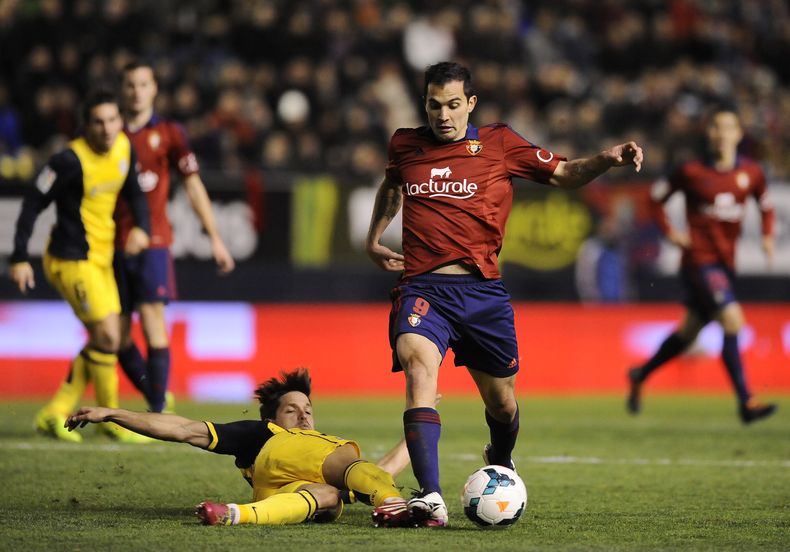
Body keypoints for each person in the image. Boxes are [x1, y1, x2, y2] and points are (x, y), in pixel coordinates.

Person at [365, 61, 644, 527]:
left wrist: (606, 159)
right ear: (425, 105)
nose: (443, 115)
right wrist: (374, 238)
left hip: (482, 294)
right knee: (418, 368)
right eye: (434, 105)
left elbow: (564, 174)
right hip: (423, 287)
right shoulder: (405, 144)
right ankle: (430, 497)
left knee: (502, 403)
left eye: (453, 105)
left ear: (470, 103)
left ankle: (501, 454)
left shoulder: (499, 143)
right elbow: (393, 186)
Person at [66, 368, 415, 527]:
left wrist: (419, 429)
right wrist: (114, 412)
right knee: (344, 455)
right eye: (292, 409)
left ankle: (234, 514)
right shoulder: (263, 433)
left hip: (277, 493)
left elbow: (379, 473)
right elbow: (184, 429)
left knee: (330, 497)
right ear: (273, 417)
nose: (304, 416)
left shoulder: (319, 457)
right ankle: (394, 505)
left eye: (308, 410)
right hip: (287, 456)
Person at [9, 90, 151, 443]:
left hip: (102, 259)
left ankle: (54, 412)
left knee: (108, 338)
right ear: (85, 126)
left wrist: (142, 228)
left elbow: (134, 192)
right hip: (70, 260)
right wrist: (19, 257)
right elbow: (32, 203)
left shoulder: (123, 148)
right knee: (107, 335)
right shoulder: (69, 160)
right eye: (98, 122)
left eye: (113, 121)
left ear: (121, 121)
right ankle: (112, 419)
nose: (107, 129)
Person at [627, 105, 777, 424]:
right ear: (709, 134)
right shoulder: (691, 172)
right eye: (716, 127)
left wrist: (766, 236)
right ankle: (745, 401)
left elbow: (765, 205)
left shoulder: (751, 173)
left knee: (689, 331)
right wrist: (671, 233)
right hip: (698, 262)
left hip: (724, 264)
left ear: (738, 134)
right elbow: (655, 200)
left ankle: (641, 372)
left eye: (728, 127)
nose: (721, 134)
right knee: (733, 321)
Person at [114, 61, 235, 413]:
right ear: (123, 90)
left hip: (153, 243)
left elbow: (193, 185)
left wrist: (214, 237)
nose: (137, 91)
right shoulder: (108, 131)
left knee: (154, 324)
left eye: (143, 84)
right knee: (115, 338)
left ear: (154, 89)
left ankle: (156, 411)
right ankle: (157, 398)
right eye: (130, 85)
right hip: (111, 244)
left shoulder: (169, 133)